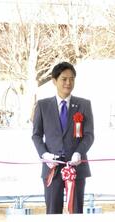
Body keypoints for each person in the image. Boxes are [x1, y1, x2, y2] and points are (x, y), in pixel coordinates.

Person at [32, 62, 94, 214]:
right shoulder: (42, 105)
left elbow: (89, 135)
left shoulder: (84, 105)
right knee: (53, 212)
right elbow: (36, 135)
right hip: (52, 168)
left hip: (77, 168)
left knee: (76, 211)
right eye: (64, 79)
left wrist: (79, 152)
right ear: (54, 81)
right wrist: (45, 154)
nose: (68, 83)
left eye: (72, 79)